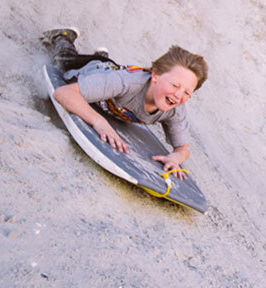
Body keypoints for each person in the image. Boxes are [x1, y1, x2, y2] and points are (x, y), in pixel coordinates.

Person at [41, 28, 207, 178]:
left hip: (109, 80)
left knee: (109, 76)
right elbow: (63, 93)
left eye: (187, 92)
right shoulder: (127, 83)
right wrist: (99, 121)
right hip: (91, 71)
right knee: (64, 60)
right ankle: (63, 36)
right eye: (175, 85)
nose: (179, 95)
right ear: (155, 75)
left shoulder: (175, 109)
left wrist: (176, 157)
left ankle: (103, 57)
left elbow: (183, 149)